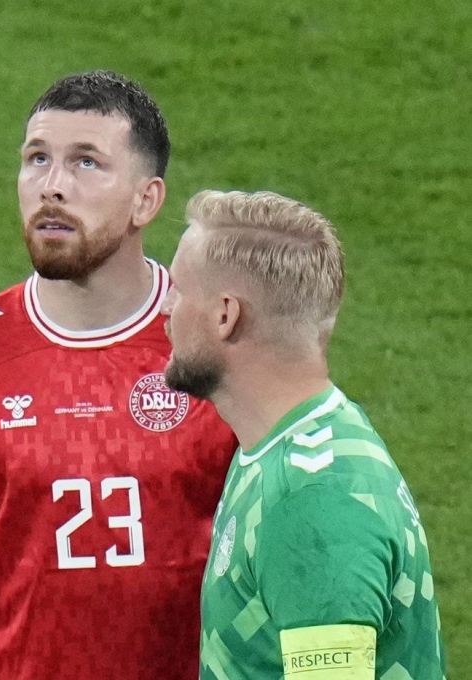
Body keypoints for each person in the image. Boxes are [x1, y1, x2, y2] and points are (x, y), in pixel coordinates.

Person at [0, 70, 238, 680]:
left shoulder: (217, 340)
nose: (52, 187)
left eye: (86, 163)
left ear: (146, 200)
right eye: (37, 159)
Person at [160, 189, 447, 679]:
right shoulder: (293, 442)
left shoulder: (311, 502)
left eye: (179, 290)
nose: (165, 308)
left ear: (226, 315)